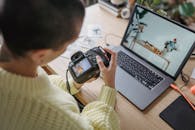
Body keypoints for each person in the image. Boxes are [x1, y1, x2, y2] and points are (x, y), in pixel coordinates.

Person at [0, 0, 120, 130]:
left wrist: (74, 83)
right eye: (67, 44)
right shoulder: (55, 115)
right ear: (40, 55)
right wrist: (109, 87)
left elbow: (41, 86)